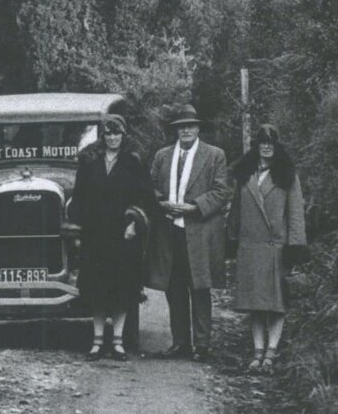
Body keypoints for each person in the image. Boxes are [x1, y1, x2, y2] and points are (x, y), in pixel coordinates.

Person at [68, 104, 155, 361]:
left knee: (122, 289)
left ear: (123, 135)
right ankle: (96, 341)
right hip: (96, 236)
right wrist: (78, 226)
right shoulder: (89, 162)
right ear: (102, 136)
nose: (113, 138)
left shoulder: (134, 162)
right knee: (97, 289)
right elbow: (79, 197)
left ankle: (117, 341)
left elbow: (145, 197)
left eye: (117, 134)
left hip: (124, 236)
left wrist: (134, 223)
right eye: (108, 134)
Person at [146, 106, 231, 360]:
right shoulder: (163, 156)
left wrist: (194, 207)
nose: (185, 130)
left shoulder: (214, 155)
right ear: (175, 130)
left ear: (197, 128)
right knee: (174, 288)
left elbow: (221, 192)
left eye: (190, 125)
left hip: (199, 232)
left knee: (200, 287)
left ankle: (202, 345)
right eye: (181, 126)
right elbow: (149, 187)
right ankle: (180, 342)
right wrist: (162, 204)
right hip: (169, 232)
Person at [229, 124, 308, 372]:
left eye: (271, 142)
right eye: (262, 142)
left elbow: (296, 215)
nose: (266, 146)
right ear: (257, 145)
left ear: (277, 146)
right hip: (250, 247)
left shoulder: (287, 175)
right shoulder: (245, 173)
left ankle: (271, 353)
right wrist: (231, 240)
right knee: (254, 304)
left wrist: (295, 247)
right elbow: (236, 211)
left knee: (276, 304)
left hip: (275, 248)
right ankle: (257, 352)